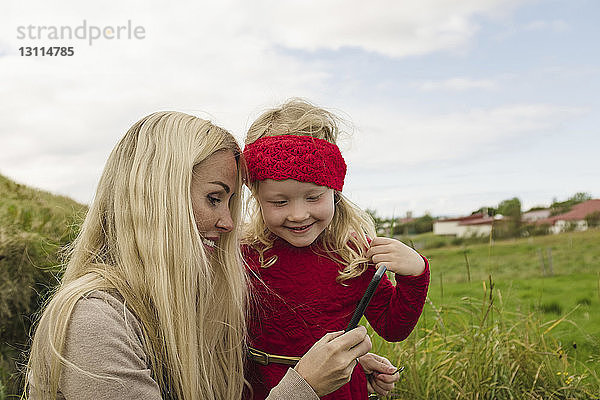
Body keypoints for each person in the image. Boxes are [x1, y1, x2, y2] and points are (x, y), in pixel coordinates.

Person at [25, 111, 376, 400]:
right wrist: (305, 388)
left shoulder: (184, 300)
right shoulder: (96, 320)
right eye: (213, 198)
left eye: (230, 202)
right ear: (158, 196)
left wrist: (331, 365)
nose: (227, 222)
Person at [242, 99, 431, 399]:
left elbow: (393, 327)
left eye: (313, 197)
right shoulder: (243, 255)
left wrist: (415, 274)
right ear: (257, 197)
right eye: (279, 202)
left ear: (335, 190)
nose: (298, 214)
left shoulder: (352, 254)